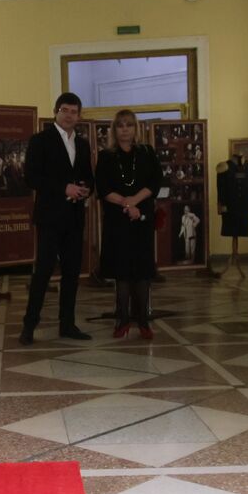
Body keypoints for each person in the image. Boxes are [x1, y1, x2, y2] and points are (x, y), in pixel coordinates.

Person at [19, 92, 94, 345]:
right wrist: (64, 188)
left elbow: (88, 176)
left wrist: (86, 189)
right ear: (55, 112)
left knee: (72, 272)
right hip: (50, 217)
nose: (69, 115)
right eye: (64, 110)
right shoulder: (41, 140)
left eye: (74, 111)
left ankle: (67, 324)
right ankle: (29, 324)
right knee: (43, 271)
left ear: (79, 115)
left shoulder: (83, 144)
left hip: (74, 217)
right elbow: (31, 177)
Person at [95, 109, 162, 339]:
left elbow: (156, 181)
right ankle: (122, 320)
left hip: (141, 218)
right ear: (115, 129)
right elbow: (102, 188)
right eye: (120, 125)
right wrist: (126, 203)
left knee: (142, 272)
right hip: (117, 221)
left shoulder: (146, 152)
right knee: (122, 273)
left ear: (136, 129)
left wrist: (135, 201)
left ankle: (143, 321)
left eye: (129, 125)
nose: (125, 129)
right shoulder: (106, 156)